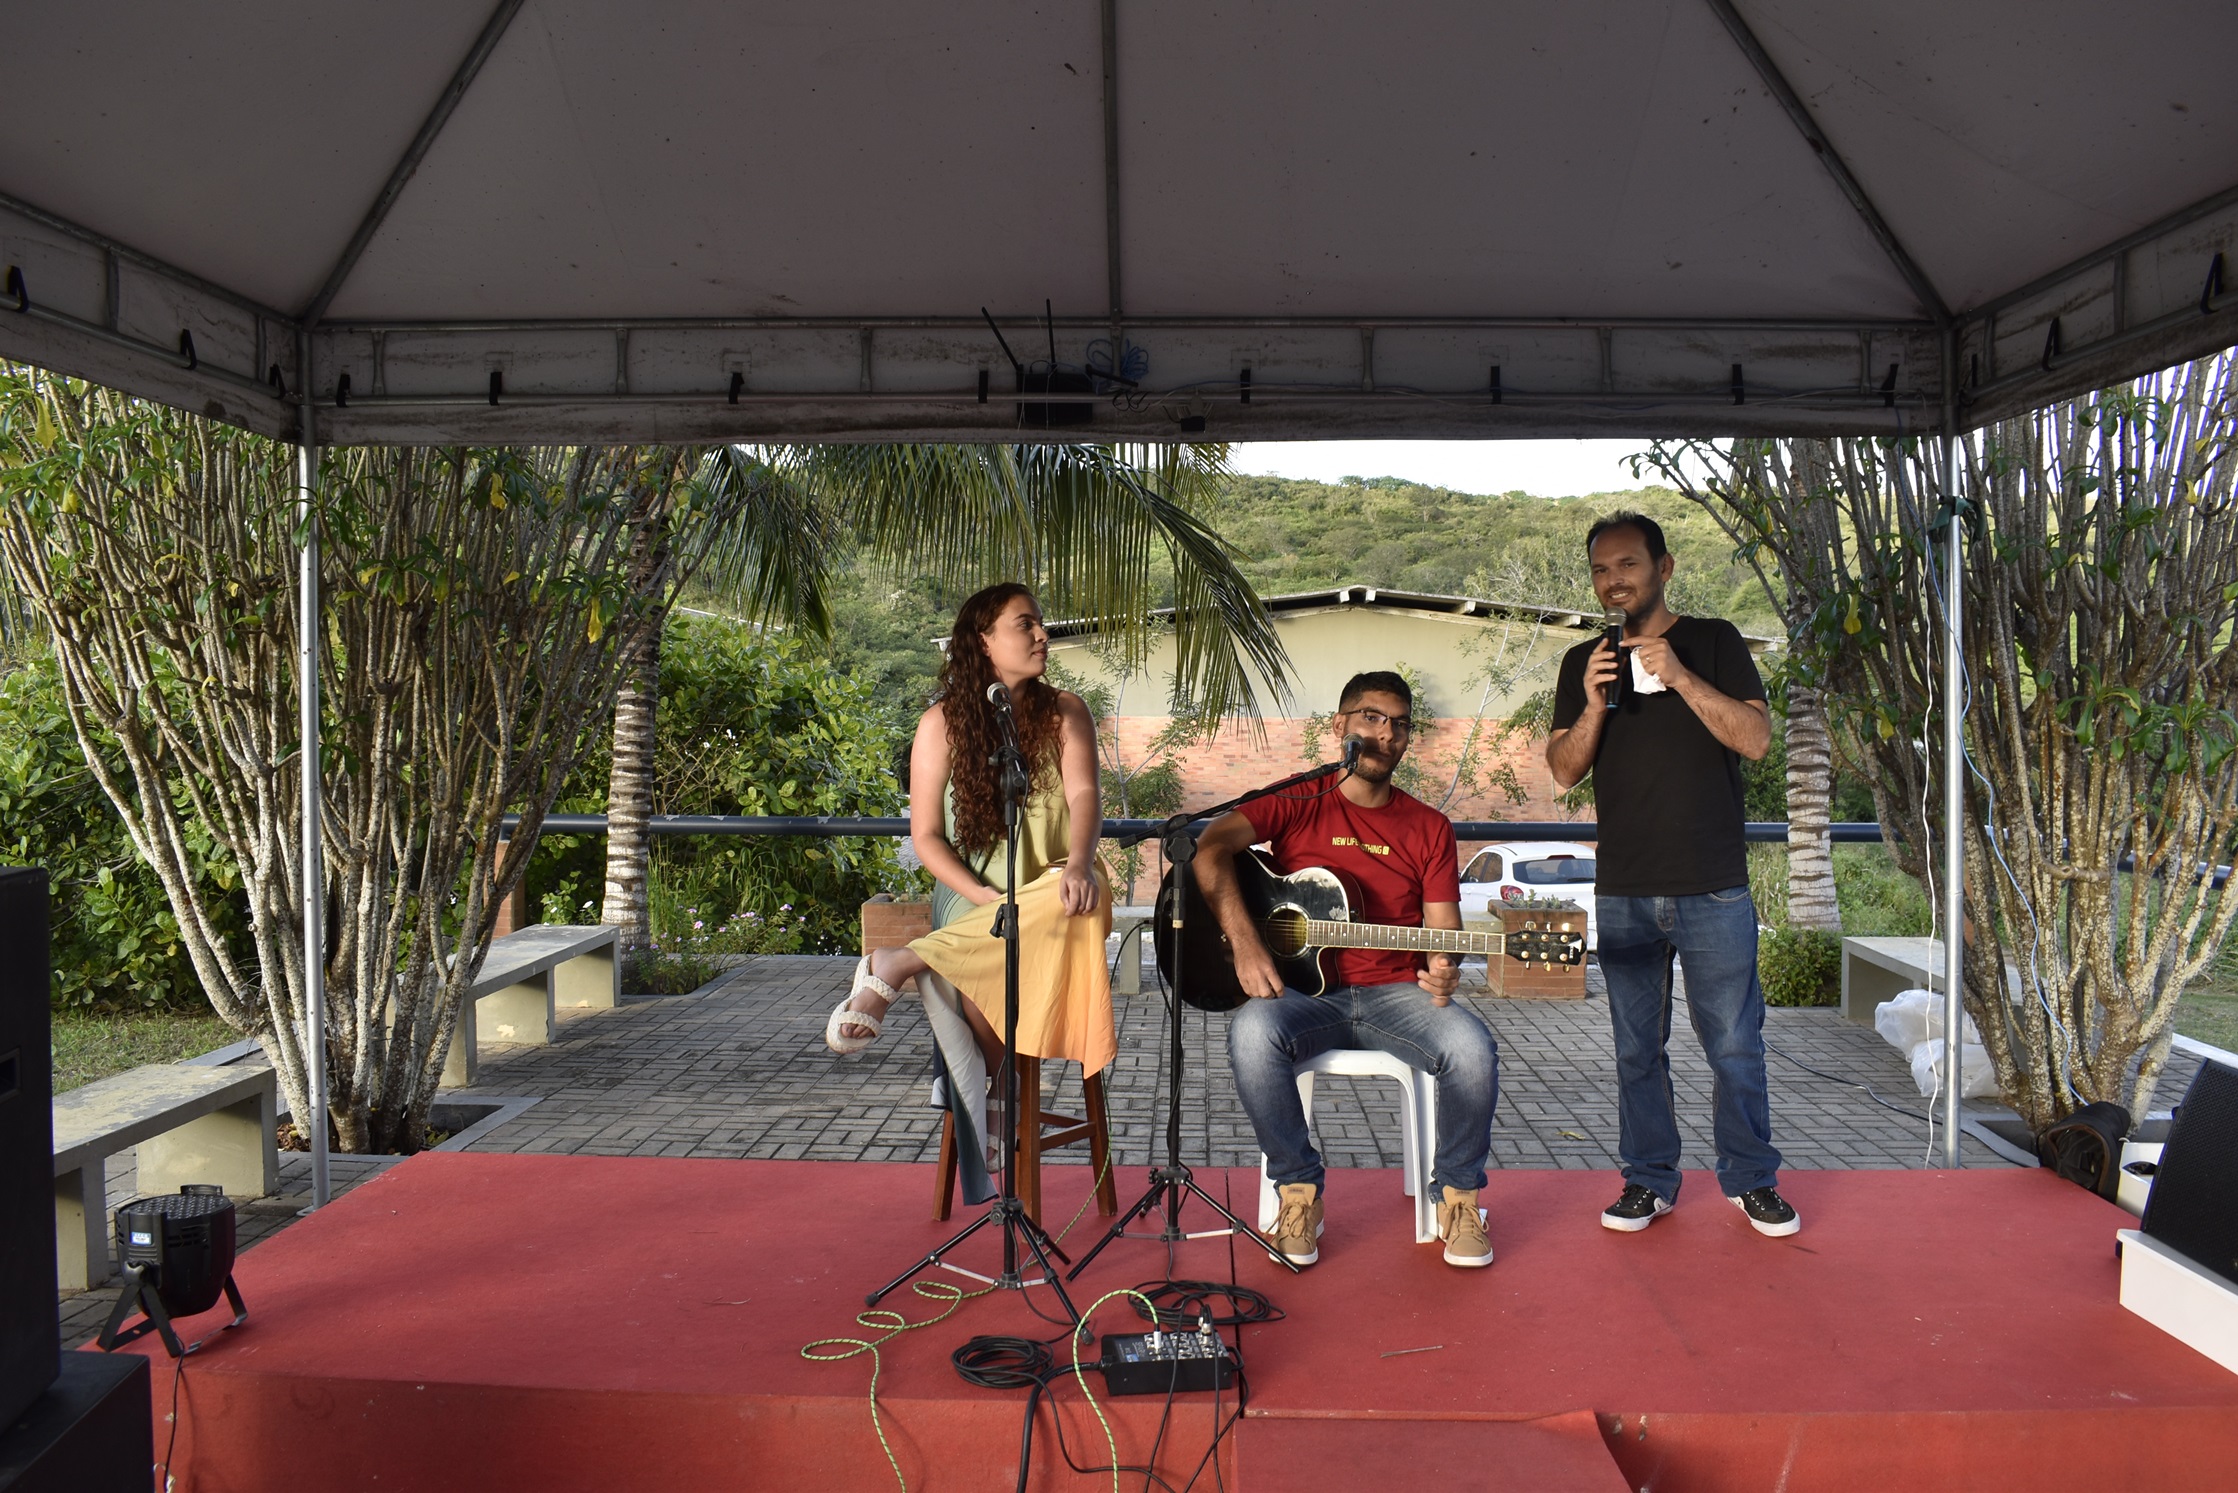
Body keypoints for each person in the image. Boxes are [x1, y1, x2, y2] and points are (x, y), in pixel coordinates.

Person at [1545, 512, 1798, 1238]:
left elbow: (1756, 739)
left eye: (1627, 564)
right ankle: (1648, 1180)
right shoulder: (1584, 660)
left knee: (1734, 1045)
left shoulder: (1715, 640)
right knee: (1635, 1050)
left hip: (1712, 885)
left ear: (1664, 567)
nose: (1613, 580)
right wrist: (1594, 704)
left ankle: (1751, 1180)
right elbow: (1563, 770)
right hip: (1624, 887)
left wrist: (1679, 675)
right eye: (1601, 569)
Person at [1196, 671, 1499, 1269]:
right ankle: (1298, 1194)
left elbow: (1444, 933)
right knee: (1252, 1033)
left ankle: (1458, 1199)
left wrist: (1445, 965)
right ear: (1341, 725)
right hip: (1305, 995)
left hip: (1397, 995)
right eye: (1371, 718)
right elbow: (1209, 848)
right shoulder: (1296, 800)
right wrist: (1247, 943)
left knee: (1473, 1050)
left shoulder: (1428, 826)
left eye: (1399, 725)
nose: (1386, 734)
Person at [824, 583, 1113, 1197]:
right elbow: (927, 837)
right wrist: (984, 899)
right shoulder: (940, 724)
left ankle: (901, 964)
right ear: (983, 641)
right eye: (1025, 624)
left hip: (1059, 883)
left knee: (1066, 909)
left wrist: (1080, 864)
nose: (1042, 635)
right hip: (973, 892)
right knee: (995, 949)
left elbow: (1085, 794)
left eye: (1041, 623)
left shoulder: (1067, 711)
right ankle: (1003, 1085)